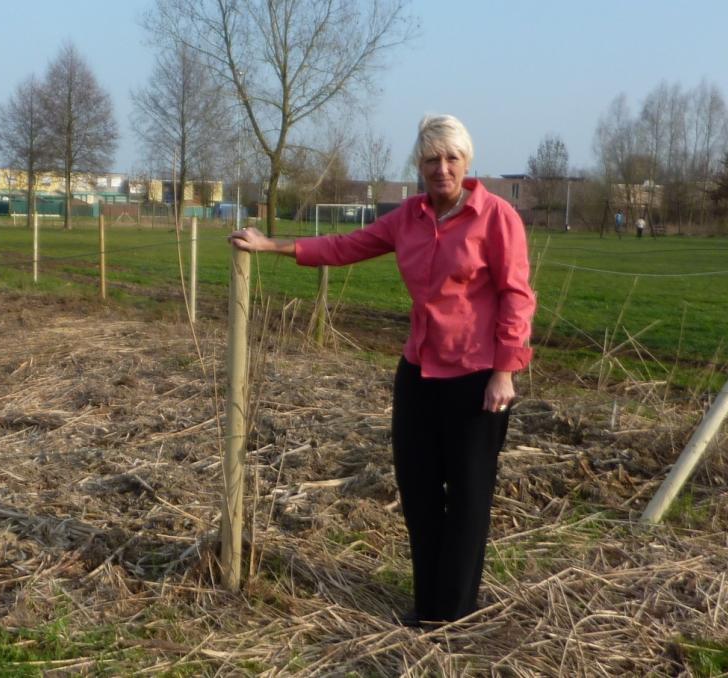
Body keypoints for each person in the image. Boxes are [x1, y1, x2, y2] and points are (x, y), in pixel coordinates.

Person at [229, 114, 536, 626]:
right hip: (417, 372)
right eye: (432, 158)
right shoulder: (407, 218)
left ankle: (451, 612)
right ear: (419, 165)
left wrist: (506, 370)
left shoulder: (496, 216)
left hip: (476, 378)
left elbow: (517, 296)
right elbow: (346, 247)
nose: (442, 168)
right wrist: (273, 246)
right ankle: (427, 599)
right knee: (417, 489)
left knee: (467, 496)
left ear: (466, 162)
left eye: (451, 158)